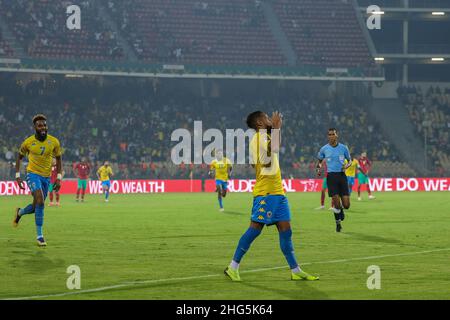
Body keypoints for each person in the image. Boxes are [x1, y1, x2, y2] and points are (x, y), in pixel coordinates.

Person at [224, 111, 318, 282]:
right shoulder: (259, 138)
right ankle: (233, 267)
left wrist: (276, 129)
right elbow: (267, 160)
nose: (269, 120)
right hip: (266, 192)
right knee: (254, 229)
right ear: (260, 122)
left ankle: (295, 270)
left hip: (277, 191)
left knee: (285, 230)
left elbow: (267, 154)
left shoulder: (262, 138)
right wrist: (275, 129)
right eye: (266, 118)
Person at [13, 114, 62, 247]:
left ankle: (20, 212)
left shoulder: (54, 142)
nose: (43, 127)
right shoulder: (28, 142)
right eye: (40, 125)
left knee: (36, 207)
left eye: (44, 125)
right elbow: (19, 157)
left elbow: (58, 159)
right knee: (40, 200)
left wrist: (58, 178)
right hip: (32, 174)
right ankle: (40, 236)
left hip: (46, 177)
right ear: (35, 127)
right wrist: (18, 176)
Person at [316, 128, 352, 233]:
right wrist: (318, 169)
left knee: (346, 205)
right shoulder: (324, 149)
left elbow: (350, 161)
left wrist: (346, 165)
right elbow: (319, 161)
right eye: (329, 134)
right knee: (336, 202)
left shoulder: (344, 148)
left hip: (342, 176)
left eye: (333, 134)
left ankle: (341, 210)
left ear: (337, 136)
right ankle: (338, 224)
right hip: (331, 177)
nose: (331, 136)